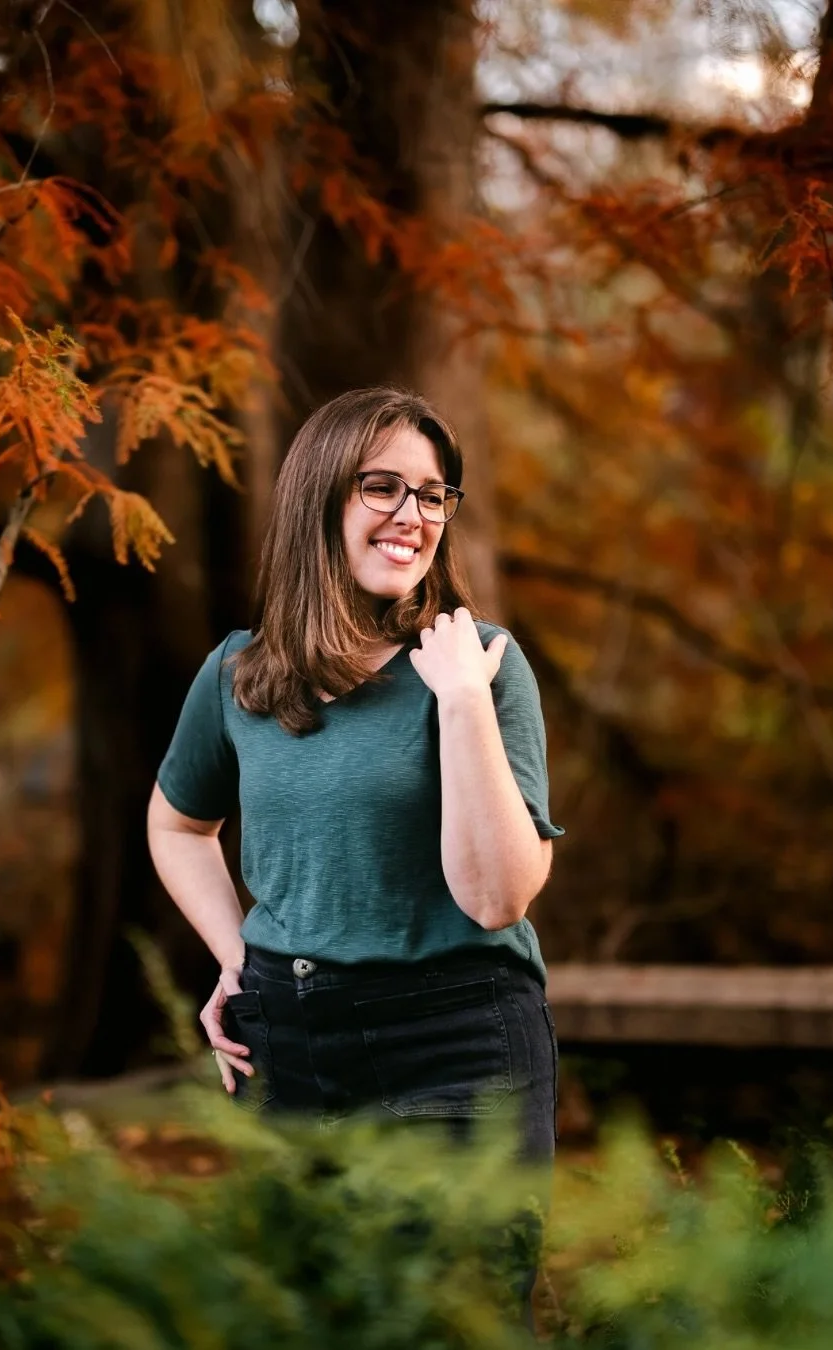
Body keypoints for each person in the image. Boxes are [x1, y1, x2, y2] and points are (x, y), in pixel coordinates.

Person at [147, 386, 563, 1296]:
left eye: (433, 494)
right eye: (383, 487)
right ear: (319, 499)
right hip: (289, 1052)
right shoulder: (240, 671)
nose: (413, 516)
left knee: (454, 1321)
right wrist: (233, 957)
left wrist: (457, 701)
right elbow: (179, 823)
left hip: (456, 1045)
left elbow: (498, 897)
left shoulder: (483, 666)